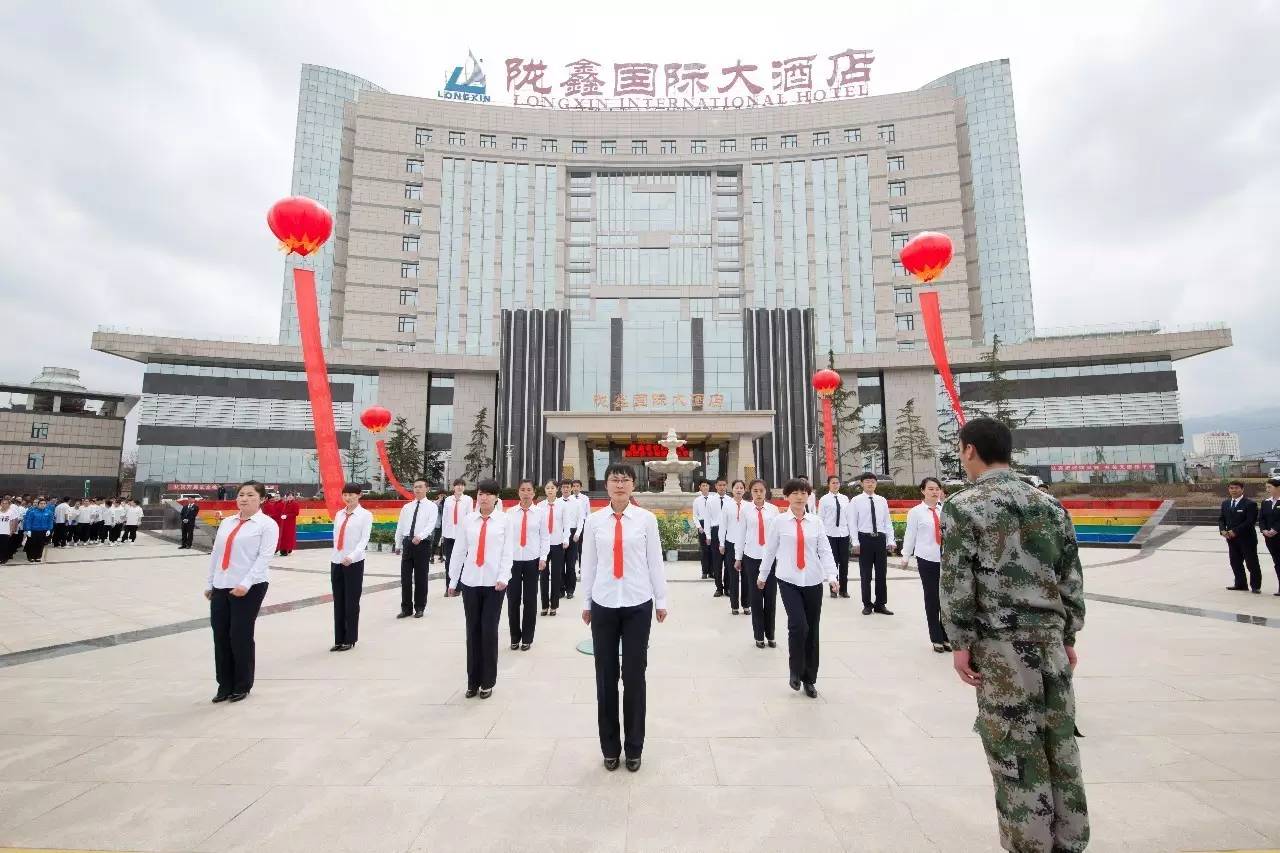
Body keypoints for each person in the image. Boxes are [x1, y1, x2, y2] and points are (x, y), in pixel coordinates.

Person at [940, 417, 1088, 853]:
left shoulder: (964, 506)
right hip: (1051, 642)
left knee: (1014, 748)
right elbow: (1071, 579)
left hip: (1003, 649)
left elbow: (956, 583)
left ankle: (1029, 843)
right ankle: (1071, 839)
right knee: (1059, 742)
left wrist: (960, 643)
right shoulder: (1049, 505)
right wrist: (1068, 636)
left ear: (969, 450)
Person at [581, 463, 668, 772]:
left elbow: (655, 561)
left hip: (637, 603)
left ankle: (634, 747)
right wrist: (586, 602)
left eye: (625, 480)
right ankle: (609, 747)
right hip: (604, 602)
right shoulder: (593, 521)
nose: (620, 484)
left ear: (633, 486)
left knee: (634, 676)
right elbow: (588, 564)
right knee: (605, 678)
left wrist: (662, 599)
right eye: (614, 479)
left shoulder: (646, 520)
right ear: (606, 485)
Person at [758, 478, 838, 697]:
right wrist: (763, 575)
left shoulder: (816, 522)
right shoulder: (779, 522)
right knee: (798, 625)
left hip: (813, 580)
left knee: (812, 629)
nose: (800, 496)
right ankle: (795, 671)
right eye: (795, 493)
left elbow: (825, 551)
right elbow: (770, 550)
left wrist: (832, 576)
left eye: (804, 492)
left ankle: (809, 679)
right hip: (788, 580)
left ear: (809, 496)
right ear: (786, 497)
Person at [206, 481, 278, 704]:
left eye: (250, 495)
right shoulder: (227, 522)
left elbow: (264, 558)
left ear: (262, 499)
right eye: (241, 495)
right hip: (222, 584)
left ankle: (242, 684)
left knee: (240, 635)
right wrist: (210, 583)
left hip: (251, 586)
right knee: (220, 635)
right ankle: (224, 684)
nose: (244, 499)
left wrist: (245, 584)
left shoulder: (267, 525)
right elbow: (216, 554)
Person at [447, 479, 512, 699]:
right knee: (472, 631)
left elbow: (507, 552)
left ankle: (487, 681)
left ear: (496, 497)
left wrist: (504, 576)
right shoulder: (468, 521)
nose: (483, 497)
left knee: (488, 631)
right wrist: (453, 580)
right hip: (471, 581)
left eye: (488, 494)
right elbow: (459, 551)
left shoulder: (504, 521)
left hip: (495, 584)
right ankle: (472, 681)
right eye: (481, 493)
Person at [901, 477, 951, 653]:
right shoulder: (916, 512)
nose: (935, 492)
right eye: (930, 489)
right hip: (927, 559)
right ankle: (936, 637)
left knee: (946, 599)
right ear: (923, 491)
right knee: (932, 598)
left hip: (946, 560)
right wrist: (905, 555)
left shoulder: (945, 510)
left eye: (937, 489)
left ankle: (946, 636)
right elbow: (910, 534)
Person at [736, 478, 780, 649]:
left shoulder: (774, 510)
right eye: (755, 491)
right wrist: (738, 558)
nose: (759, 493)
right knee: (756, 597)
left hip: (771, 558)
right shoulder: (746, 510)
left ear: (766, 491)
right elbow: (740, 535)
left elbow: (778, 535)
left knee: (770, 597)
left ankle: (771, 634)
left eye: (761, 490)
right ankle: (758, 635)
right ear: (750, 492)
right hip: (752, 557)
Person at [330, 484, 373, 652]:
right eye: (345, 495)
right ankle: (339, 639)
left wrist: (352, 556)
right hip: (337, 561)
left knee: (351, 602)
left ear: (359, 495)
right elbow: (335, 537)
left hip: (353, 563)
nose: (348, 498)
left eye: (351, 495)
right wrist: (336, 556)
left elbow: (364, 539)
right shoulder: (339, 514)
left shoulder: (365, 515)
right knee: (338, 601)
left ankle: (350, 638)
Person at [506, 479, 548, 651]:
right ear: (518, 492)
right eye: (522, 489)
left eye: (528, 490)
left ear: (533, 493)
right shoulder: (509, 513)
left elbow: (545, 537)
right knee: (513, 601)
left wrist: (543, 557)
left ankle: (527, 639)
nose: (525, 492)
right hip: (513, 561)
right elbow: (505, 538)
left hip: (532, 561)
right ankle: (515, 637)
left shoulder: (540, 513)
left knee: (530, 601)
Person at [850, 472, 895, 616]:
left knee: (882, 573)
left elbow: (887, 522)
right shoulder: (856, 501)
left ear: (876, 484)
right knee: (866, 574)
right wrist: (855, 542)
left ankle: (880, 604)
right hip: (865, 539)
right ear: (862, 484)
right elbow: (852, 523)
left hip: (880, 539)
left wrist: (891, 540)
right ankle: (867, 604)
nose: (870, 484)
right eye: (867, 481)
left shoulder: (882, 500)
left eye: (873, 481)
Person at [394, 479, 438, 619]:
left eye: (420, 487)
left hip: (422, 544)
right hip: (408, 543)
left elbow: (431, 525)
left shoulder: (431, 506)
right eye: (415, 487)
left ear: (427, 489)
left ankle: (420, 607)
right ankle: (406, 608)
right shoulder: (407, 507)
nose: (417, 489)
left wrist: (420, 536)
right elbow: (400, 526)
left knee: (420, 577)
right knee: (405, 578)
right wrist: (398, 544)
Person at [1219, 480, 1262, 593]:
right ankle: (1240, 584)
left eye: (1236, 488)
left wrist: (1235, 531)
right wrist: (1222, 530)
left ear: (1242, 489)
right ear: (1228, 489)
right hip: (1231, 539)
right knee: (1235, 562)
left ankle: (1255, 586)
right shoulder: (1225, 503)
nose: (1234, 490)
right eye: (1231, 488)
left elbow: (1250, 521)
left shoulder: (1250, 504)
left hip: (1247, 539)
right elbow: (1221, 519)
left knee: (1251, 563)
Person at [718, 479, 751, 614]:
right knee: (733, 575)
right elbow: (722, 526)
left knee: (746, 576)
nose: (739, 490)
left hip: (746, 544)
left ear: (744, 490)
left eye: (741, 488)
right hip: (731, 543)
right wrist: (721, 543)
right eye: (736, 487)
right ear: (732, 489)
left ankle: (746, 605)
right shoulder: (726, 505)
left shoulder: (749, 506)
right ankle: (734, 606)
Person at [818, 475, 852, 599]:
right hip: (830, 535)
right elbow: (820, 518)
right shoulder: (824, 499)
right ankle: (833, 589)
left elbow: (849, 517)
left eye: (837, 483)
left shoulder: (844, 499)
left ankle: (844, 590)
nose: (836, 485)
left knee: (844, 563)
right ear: (829, 484)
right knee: (833, 562)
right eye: (833, 483)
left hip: (843, 534)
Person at [539, 479, 567, 616]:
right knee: (544, 576)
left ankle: (554, 605)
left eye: (552, 488)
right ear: (545, 490)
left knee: (556, 575)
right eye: (547, 487)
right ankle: (544, 605)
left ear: (557, 490)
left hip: (557, 544)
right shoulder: (539, 506)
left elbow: (566, 524)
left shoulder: (562, 505)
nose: (550, 490)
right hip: (543, 545)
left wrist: (566, 539)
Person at [441, 478, 473, 587]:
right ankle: (448, 586)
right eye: (458, 485)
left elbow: (470, 518)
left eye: (462, 485)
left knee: (462, 561)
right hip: (449, 534)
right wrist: (442, 534)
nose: (460, 487)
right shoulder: (448, 500)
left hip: (462, 536)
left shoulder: (468, 500)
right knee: (449, 561)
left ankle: (459, 586)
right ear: (453, 487)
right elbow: (444, 518)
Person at [558, 480, 584, 600]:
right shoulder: (557, 502)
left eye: (568, 487)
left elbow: (580, 520)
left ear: (571, 488)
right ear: (560, 489)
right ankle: (561, 589)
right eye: (563, 487)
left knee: (570, 564)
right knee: (560, 564)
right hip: (560, 533)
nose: (566, 489)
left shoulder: (578, 503)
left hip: (573, 534)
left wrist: (578, 533)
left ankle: (570, 590)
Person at [1259, 478, 1280, 596]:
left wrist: (1276, 529)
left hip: (1278, 535)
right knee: (1277, 562)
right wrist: (1264, 530)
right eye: (1266, 487)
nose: (1267, 490)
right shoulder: (1266, 502)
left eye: (1269, 487)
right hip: (1270, 538)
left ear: (1277, 487)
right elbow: (1261, 518)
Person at [691, 480, 714, 581]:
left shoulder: (713, 499)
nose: (705, 487)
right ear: (700, 487)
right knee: (704, 550)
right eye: (703, 486)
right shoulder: (697, 500)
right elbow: (695, 516)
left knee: (713, 549)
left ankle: (712, 572)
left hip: (712, 525)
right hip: (702, 525)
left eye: (706, 485)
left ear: (709, 487)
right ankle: (705, 572)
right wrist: (699, 527)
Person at [21, 497, 54, 562]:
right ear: (38, 504)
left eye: (44, 503)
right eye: (41, 503)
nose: (43, 505)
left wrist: (49, 529)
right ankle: (31, 556)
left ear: (46, 505)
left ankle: (38, 556)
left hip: (43, 531)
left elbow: (50, 521)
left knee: (40, 544)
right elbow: (28, 521)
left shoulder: (49, 512)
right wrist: (28, 530)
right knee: (32, 544)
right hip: (33, 531)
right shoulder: (32, 512)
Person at [0, 496, 19, 563]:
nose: (4, 504)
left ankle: (4, 558)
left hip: (6, 532)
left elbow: (13, 522)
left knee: (4, 546)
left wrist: (12, 531)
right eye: (3, 503)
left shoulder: (11, 512)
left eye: (6, 503)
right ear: (1, 504)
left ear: (8, 504)